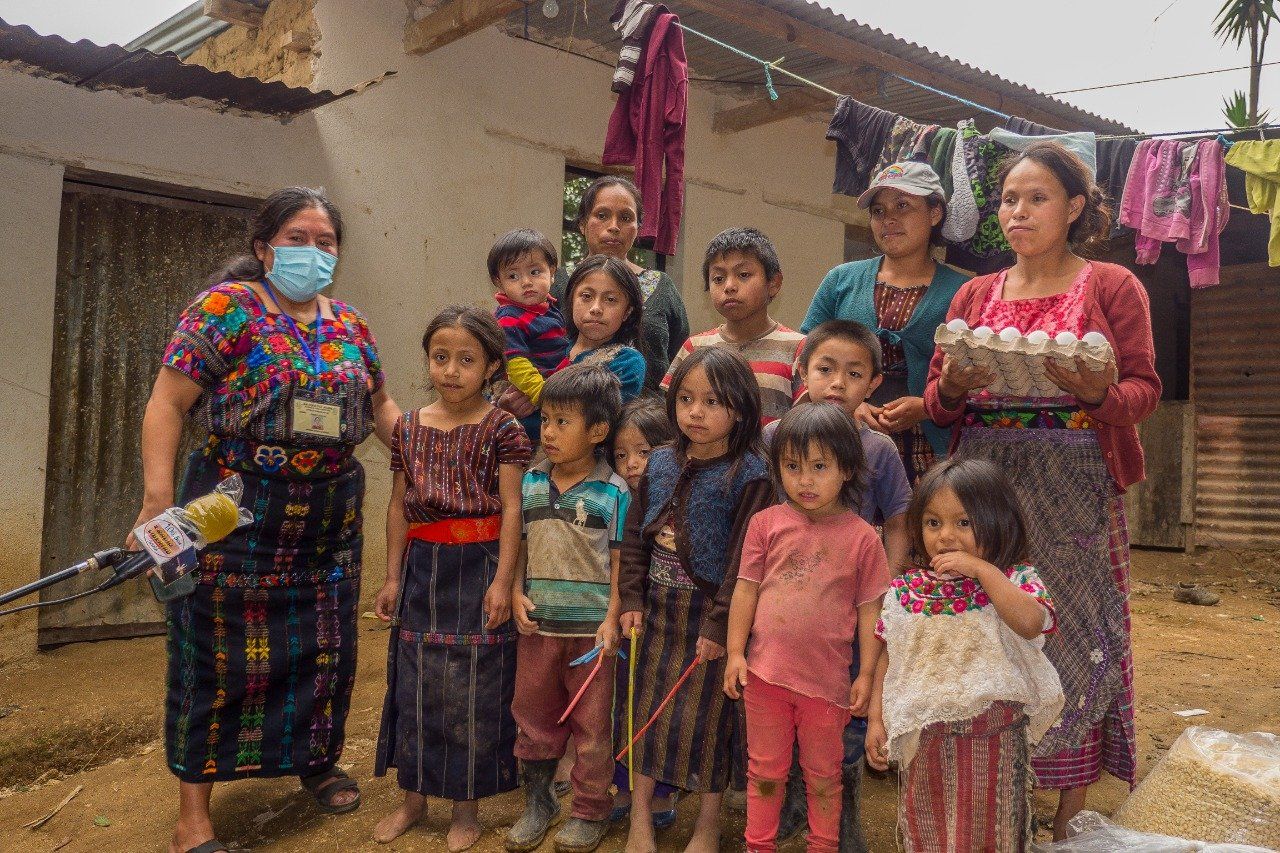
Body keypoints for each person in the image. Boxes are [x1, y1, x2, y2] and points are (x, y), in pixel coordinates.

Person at [135, 187, 400, 853]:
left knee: (324, 649)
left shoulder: (351, 325)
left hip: (328, 517)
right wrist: (156, 496)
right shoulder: (227, 309)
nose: (313, 252)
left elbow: (385, 407)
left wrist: (445, 441)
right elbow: (168, 401)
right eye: (298, 239)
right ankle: (193, 813)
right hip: (232, 505)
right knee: (210, 654)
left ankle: (313, 759)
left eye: (325, 241)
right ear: (264, 248)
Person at [923, 141, 1160, 839]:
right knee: (988, 630)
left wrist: (1101, 393)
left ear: (1076, 206)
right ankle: (996, 793)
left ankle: (1067, 814)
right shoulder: (974, 294)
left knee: (1070, 632)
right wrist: (954, 388)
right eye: (1009, 199)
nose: (1018, 211)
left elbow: (1145, 388)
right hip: (988, 489)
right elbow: (939, 405)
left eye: (1037, 198)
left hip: (1075, 486)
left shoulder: (1111, 286)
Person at [371, 307, 531, 849]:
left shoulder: (502, 428)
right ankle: (413, 799)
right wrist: (392, 577)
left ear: (490, 367)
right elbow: (397, 507)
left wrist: (504, 581)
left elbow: (513, 509)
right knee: (414, 684)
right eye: (441, 357)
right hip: (423, 573)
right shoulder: (408, 428)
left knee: (475, 689)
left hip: (480, 566)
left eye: (467, 360)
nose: (451, 370)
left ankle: (466, 809)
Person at [762, 320, 913, 852]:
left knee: (847, 702)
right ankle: (795, 804)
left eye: (854, 374)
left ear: (873, 383)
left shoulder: (879, 451)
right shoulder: (775, 437)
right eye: (826, 369)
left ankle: (840, 811)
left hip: (851, 606)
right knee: (784, 699)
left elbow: (897, 520)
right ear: (802, 369)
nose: (837, 383)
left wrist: (887, 587)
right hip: (788, 606)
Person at [619, 347, 775, 853]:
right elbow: (636, 536)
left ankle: (707, 824)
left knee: (709, 722)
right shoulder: (661, 461)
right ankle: (640, 818)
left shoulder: (751, 473)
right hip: (656, 611)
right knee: (645, 713)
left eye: (712, 401)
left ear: (741, 409)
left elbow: (743, 563)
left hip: (711, 617)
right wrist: (631, 599)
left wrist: (718, 627)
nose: (695, 413)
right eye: (685, 399)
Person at [865, 458, 1064, 852]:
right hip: (926, 733)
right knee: (928, 826)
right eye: (933, 523)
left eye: (964, 523)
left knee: (992, 830)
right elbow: (892, 655)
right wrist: (876, 720)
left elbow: (1031, 622)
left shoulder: (1016, 578)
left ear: (997, 520)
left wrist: (983, 571)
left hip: (993, 732)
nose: (946, 536)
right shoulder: (907, 590)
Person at [724, 404, 891, 853]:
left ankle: (823, 845)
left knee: (824, 776)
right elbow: (745, 591)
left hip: (828, 683)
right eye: (793, 467)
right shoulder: (766, 524)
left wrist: (866, 675)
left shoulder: (863, 538)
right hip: (764, 675)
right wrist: (736, 653)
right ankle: (758, 845)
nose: (805, 480)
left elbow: (871, 614)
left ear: (848, 468)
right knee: (764, 772)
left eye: (820, 467)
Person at [507, 365, 630, 853]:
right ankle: (539, 802)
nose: (549, 432)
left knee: (593, 727)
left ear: (598, 431)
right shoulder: (532, 482)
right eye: (546, 420)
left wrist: (612, 618)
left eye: (562, 422)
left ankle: (589, 810)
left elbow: (620, 563)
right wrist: (516, 592)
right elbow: (518, 544)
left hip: (591, 637)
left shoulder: (614, 490)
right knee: (533, 717)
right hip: (538, 625)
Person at [801, 162, 970, 484]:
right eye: (878, 210)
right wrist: (850, 404)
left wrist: (927, 405)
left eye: (903, 206)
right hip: (841, 441)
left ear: (935, 213)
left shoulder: (964, 291)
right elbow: (805, 357)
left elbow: (975, 376)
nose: (888, 219)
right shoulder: (841, 280)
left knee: (915, 529)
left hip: (929, 450)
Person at [607, 399, 680, 829]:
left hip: (672, 620)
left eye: (644, 452)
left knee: (665, 706)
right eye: (621, 454)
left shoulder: (677, 497)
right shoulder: (615, 497)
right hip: (626, 619)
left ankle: (664, 790)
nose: (632, 464)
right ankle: (624, 783)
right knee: (625, 703)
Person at [552, 175, 689, 393]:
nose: (614, 226)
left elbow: (680, 361)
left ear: (638, 228)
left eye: (626, 218)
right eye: (602, 215)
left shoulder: (662, 288)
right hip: (566, 416)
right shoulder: (557, 284)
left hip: (646, 421)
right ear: (582, 224)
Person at [662, 228, 804, 425]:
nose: (729, 286)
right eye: (718, 279)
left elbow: (808, 424)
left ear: (773, 283)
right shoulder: (694, 347)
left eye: (743, 274)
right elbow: (670, 416)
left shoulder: (799, 349)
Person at [491, 228, 569, 443]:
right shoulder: (509, 317)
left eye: (535, 272)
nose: (526, 282)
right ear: (499, 281)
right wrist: (544, 395)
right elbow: (516, 365)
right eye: (513, 276)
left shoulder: (550, 308)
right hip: (530, 406)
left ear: (552, 271)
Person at [557, 254, 648, 402]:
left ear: (627, 312)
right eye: (586, 296)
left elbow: (591, 416)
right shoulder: (549, 346)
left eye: (610, 299)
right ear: (571, 300)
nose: (596, 308)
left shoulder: (627, 362)